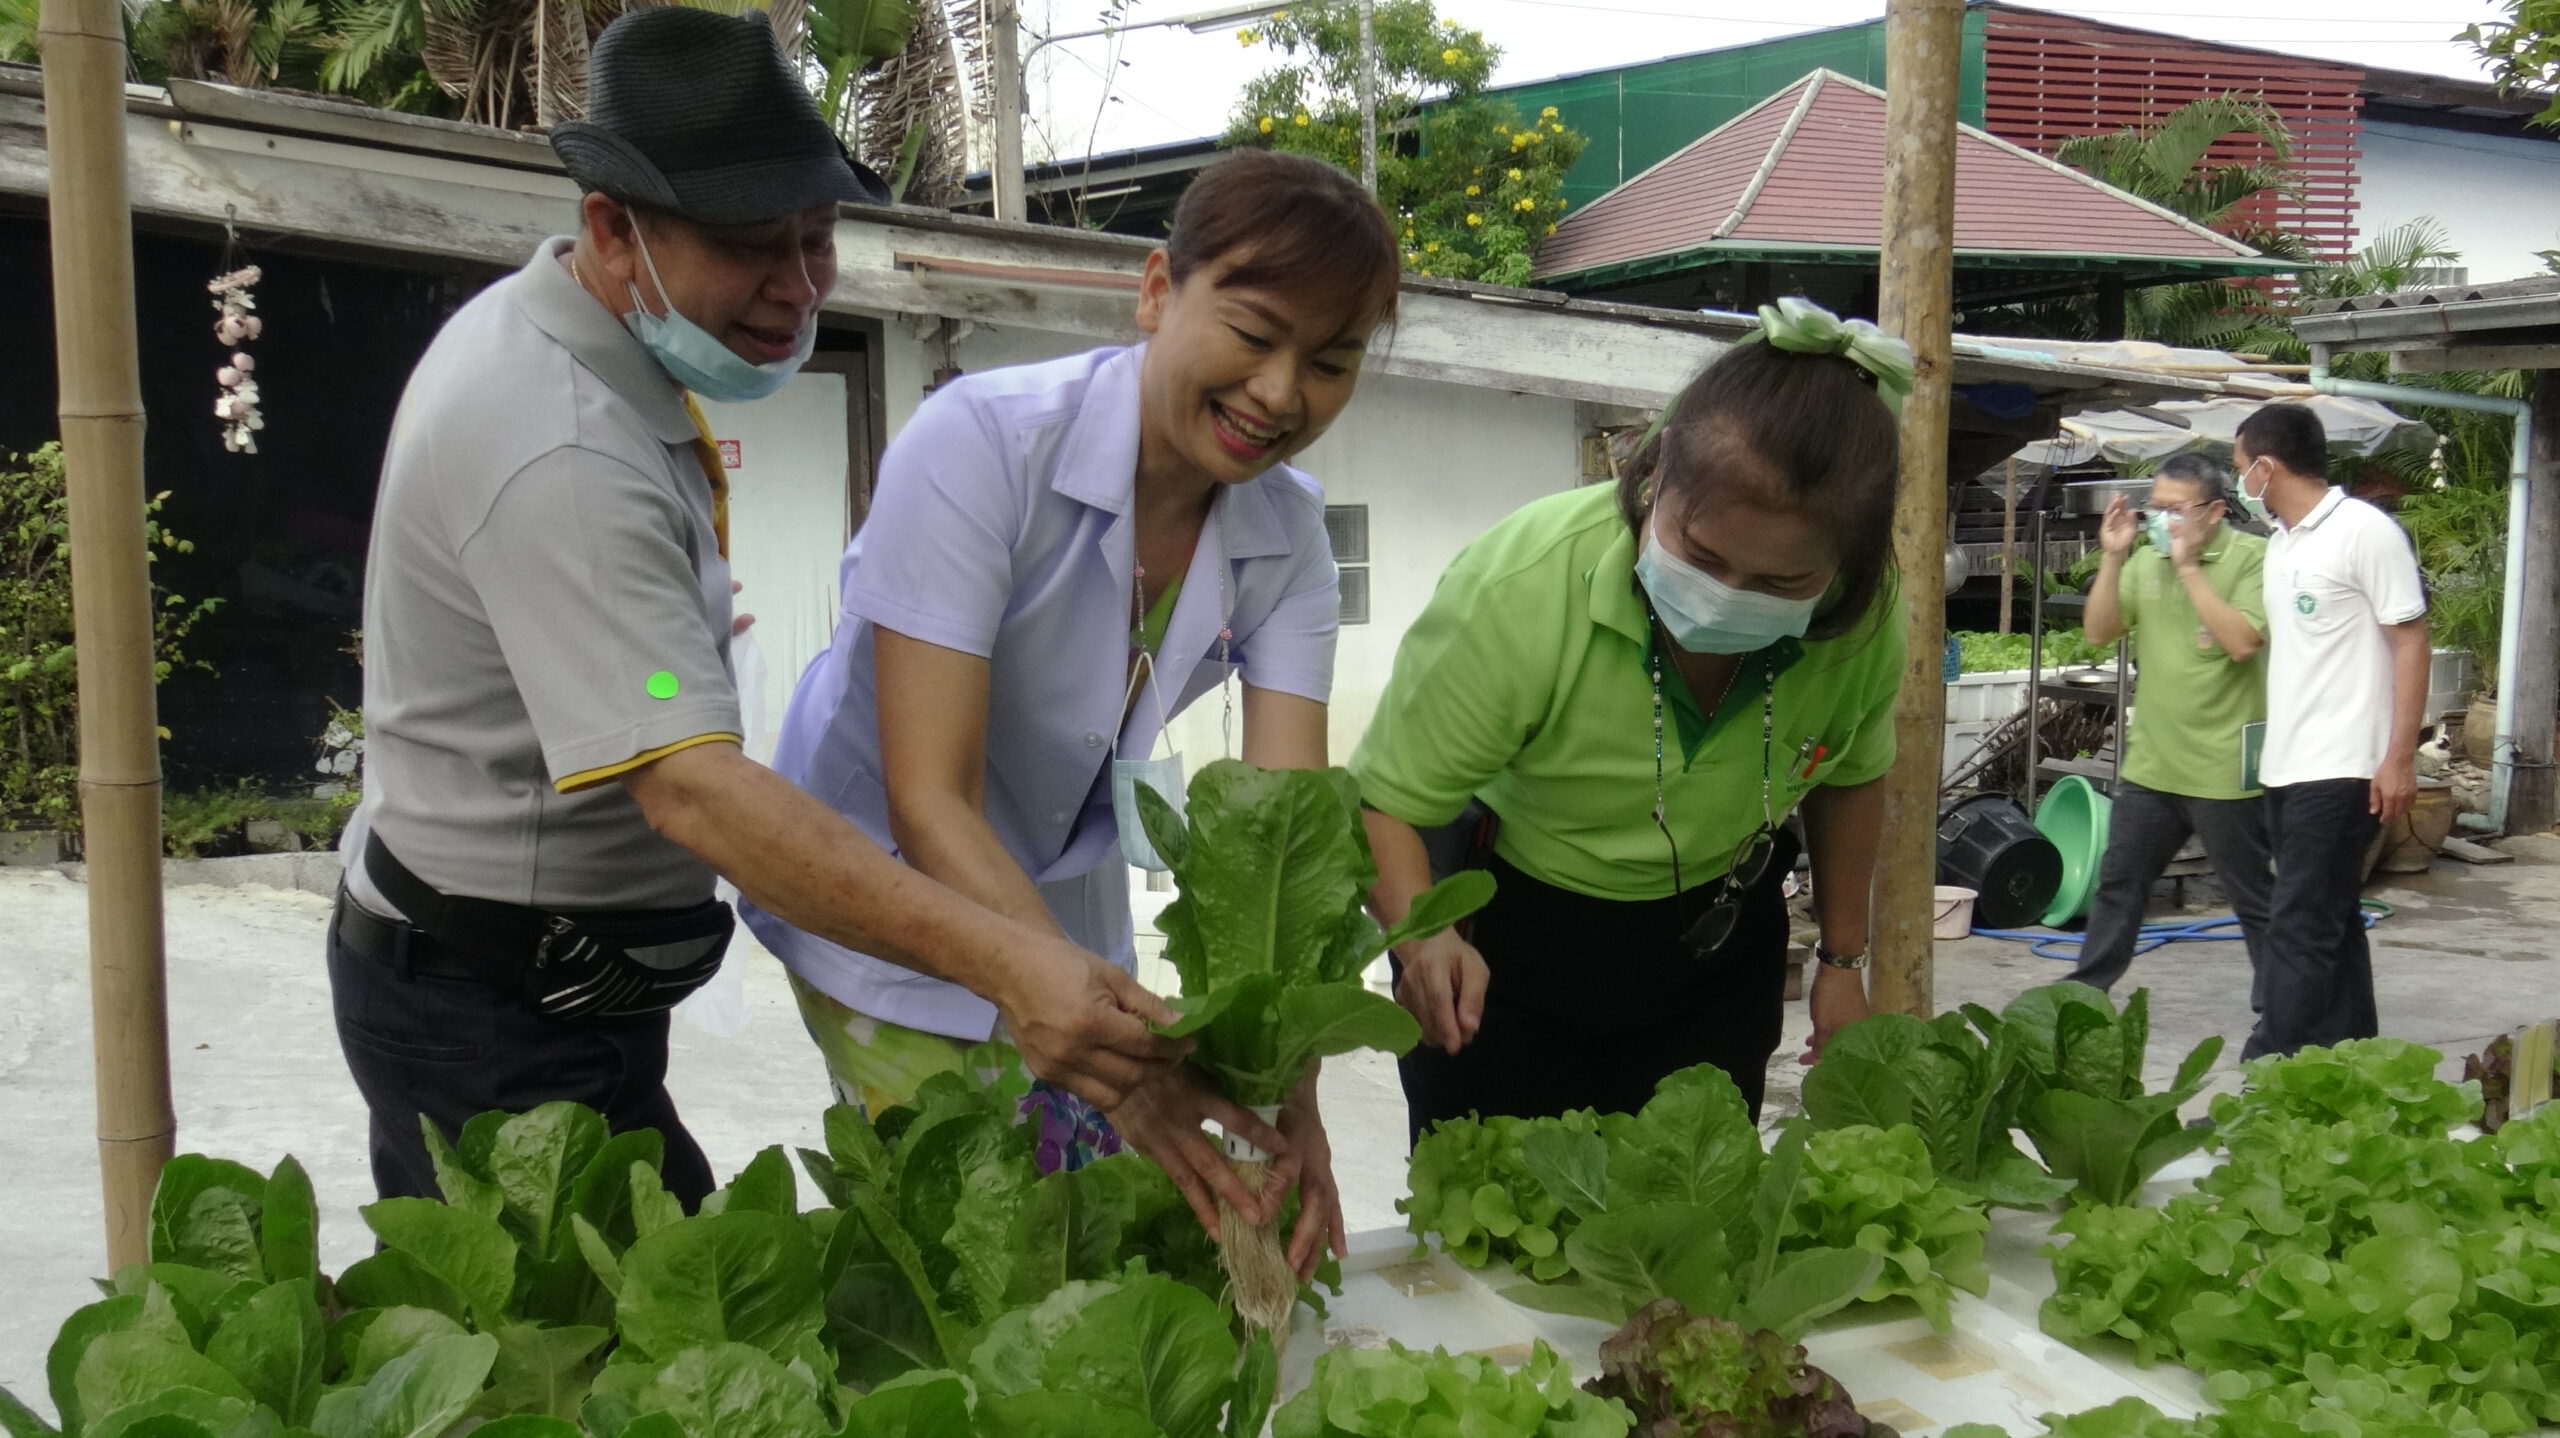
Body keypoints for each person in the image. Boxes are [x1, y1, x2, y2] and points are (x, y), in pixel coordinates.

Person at [331, 9, 1181, 1209]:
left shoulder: (598, 351)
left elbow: (651, 687)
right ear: (612, 230)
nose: (796, 289)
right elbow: (690, 786)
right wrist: (1012, 964)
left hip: (560, 982)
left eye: (816, 238)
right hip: (485, 1003)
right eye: (747, 249)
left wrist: (664, 667)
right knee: (611, 1322)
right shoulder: (556, 441)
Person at [744, 149, 1396, 1271]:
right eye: (1253, 334)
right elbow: (930, 801)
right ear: (1157, 291)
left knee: (1099, 1223)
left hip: (1060, 894)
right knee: (976, 1247)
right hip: (892, 884)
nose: (1281, 394)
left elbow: (1288, 850)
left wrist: (1292, 1093)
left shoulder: (1288, 536)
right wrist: (1119, 1068)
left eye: (1330, 364)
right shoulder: (981, 445)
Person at [1350, 299, 1907, 1139]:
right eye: (1701, 554)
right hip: (1510, 932)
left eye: (1780, 585)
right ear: (1653, 473)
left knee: (1693, 1194)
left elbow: (1852, 777)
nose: (1724, 598)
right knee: (1493, 1200)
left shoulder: (1864, 621)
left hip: (1719, 939)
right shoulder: (1523, 584)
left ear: (1845, 572)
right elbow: (1385, 800)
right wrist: (1423, 937)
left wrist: (1841, 960)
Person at [2232, 402, 2429, 1058]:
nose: (2240, 481)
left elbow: (2411, 642)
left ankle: (2269, 1068)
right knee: (2333, 921)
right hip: (2287, 763)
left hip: (2346, 765)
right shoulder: (2281, 544)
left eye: (2241, 467)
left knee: (2298, 926)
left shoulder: (2364, 532)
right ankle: (2355, 1063)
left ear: (2266, 467)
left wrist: (2399, 758)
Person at [2068, 454, 2273, 1000]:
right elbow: (2099, 632)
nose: (2163, 520)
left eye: (2176, 509)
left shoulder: (2253, 558)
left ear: (2215, 511)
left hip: (2223, 765)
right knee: (2119, 884)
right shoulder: (2145, 560)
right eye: (2155, 508)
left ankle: (2282, 1011)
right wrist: (2114, 557)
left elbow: (2242, 642)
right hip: (2153, 763)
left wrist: (2188, 569)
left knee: (2253, 896)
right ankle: (2082, 997)